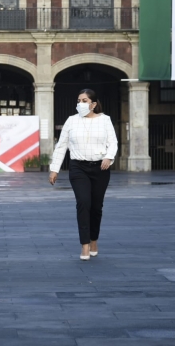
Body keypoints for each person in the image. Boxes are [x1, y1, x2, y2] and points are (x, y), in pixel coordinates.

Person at [49, 89, 118, 261]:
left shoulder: (105, 120)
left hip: (100, 168)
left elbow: (113, 142)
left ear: (93, 104)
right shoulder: (71, 121)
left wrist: (109, 157)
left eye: (85, 100)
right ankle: (85, 245)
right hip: (78, 167)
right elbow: (61, 145)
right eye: (79, 100)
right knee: (83, 203)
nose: (81, 103)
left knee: (96, 207)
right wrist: (54, 168)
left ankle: (94, 240)